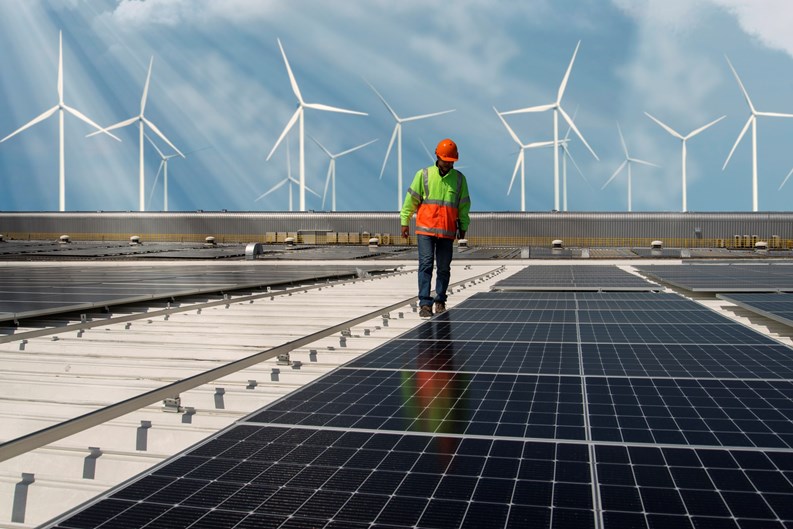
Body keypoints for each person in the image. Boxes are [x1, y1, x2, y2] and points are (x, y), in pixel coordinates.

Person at [400, 138, 470, 318]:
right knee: (426, 265)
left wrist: (463, 226)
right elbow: (411, 200)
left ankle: (440, 300)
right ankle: (424, 303)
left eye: (450, 161)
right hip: (425, 230)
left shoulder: (460, 180)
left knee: (444, 268)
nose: (447, 164)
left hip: (447, 232)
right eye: (445, 160)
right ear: (437, 156)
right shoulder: (423, 175)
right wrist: (404, 221)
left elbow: (463, 206)